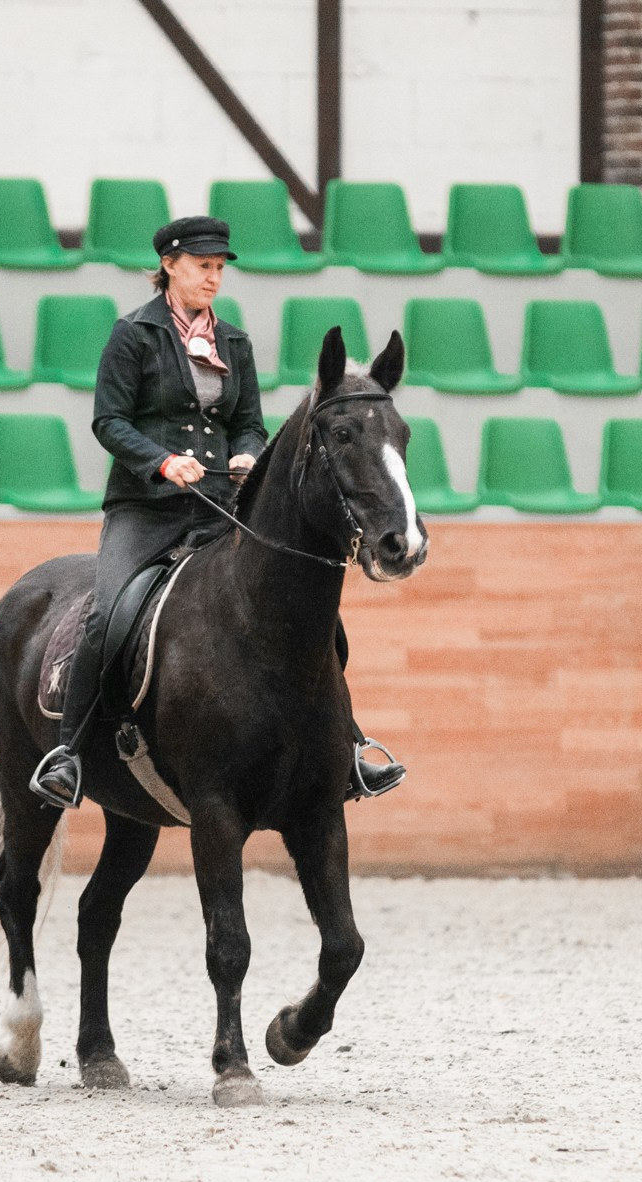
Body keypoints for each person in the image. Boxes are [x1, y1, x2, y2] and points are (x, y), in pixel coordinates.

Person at [28, 215, 407, 810]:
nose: (213, 278)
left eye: (220, 268)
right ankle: (70, 754)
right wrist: (160, 462)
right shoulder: (132, 335)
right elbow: (109, 421)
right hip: (146, 509)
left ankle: (350, 746)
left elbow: (249, 422)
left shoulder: (234, 341)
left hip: (219, 506)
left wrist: (247, 455)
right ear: (170, 267)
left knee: (314, 615)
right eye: (203, 267)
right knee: (110, 614)